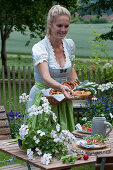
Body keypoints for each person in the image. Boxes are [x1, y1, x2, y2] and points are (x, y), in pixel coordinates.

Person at [26, 5, 78, 132]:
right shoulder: (40, 48)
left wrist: (77, 86)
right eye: (59, 25)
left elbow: (70, 70)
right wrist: (61, 87)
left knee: (64, 140)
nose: (63, 30)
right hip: (44, 99)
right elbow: (46, 78)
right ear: (50, 24)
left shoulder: (69, 44)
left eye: (66, 26)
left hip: (63, 97)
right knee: (43, 140)